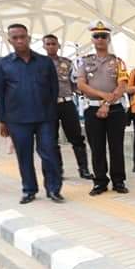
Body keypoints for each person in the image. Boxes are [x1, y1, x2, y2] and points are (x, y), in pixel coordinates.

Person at [0, 23, 64, 204]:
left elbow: (53, 89)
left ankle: (54, 189)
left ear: (29, 38)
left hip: (44, 118)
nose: (19, 40)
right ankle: (29, 190)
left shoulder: (44, 62)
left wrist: (51, 113)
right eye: (15, 38)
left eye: (22, 37)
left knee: (49, 152)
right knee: (24, 156)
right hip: (17, 119)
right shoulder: (2, 64)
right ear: (9, 40)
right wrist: (2, 120)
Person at [76, 21, 130, 195]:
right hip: (92, 109)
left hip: (114, 109)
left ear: (108, 39)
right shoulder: (84, 62)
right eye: (96, 36)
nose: (100, 39)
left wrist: (107, 103)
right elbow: (81, 85)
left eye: (103, 36)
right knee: (96, 147)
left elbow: (122, 86)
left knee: (116, 147)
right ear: (92, 39)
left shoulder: (118, 62)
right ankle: (99, 181)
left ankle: (118, 181)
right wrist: (101, 96)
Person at [42, 34, 93, 180]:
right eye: (48, 44)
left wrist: (86, 91)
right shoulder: (39, 63)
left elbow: (75, 84)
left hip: (67, 103)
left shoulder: (68, 63)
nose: (51, 46)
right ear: (44, 46)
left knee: (77, 137)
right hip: (49, 106)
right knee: (52, 140)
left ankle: (83, 169)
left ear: (58, 45)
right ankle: (58, 170)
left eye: (54, 43)